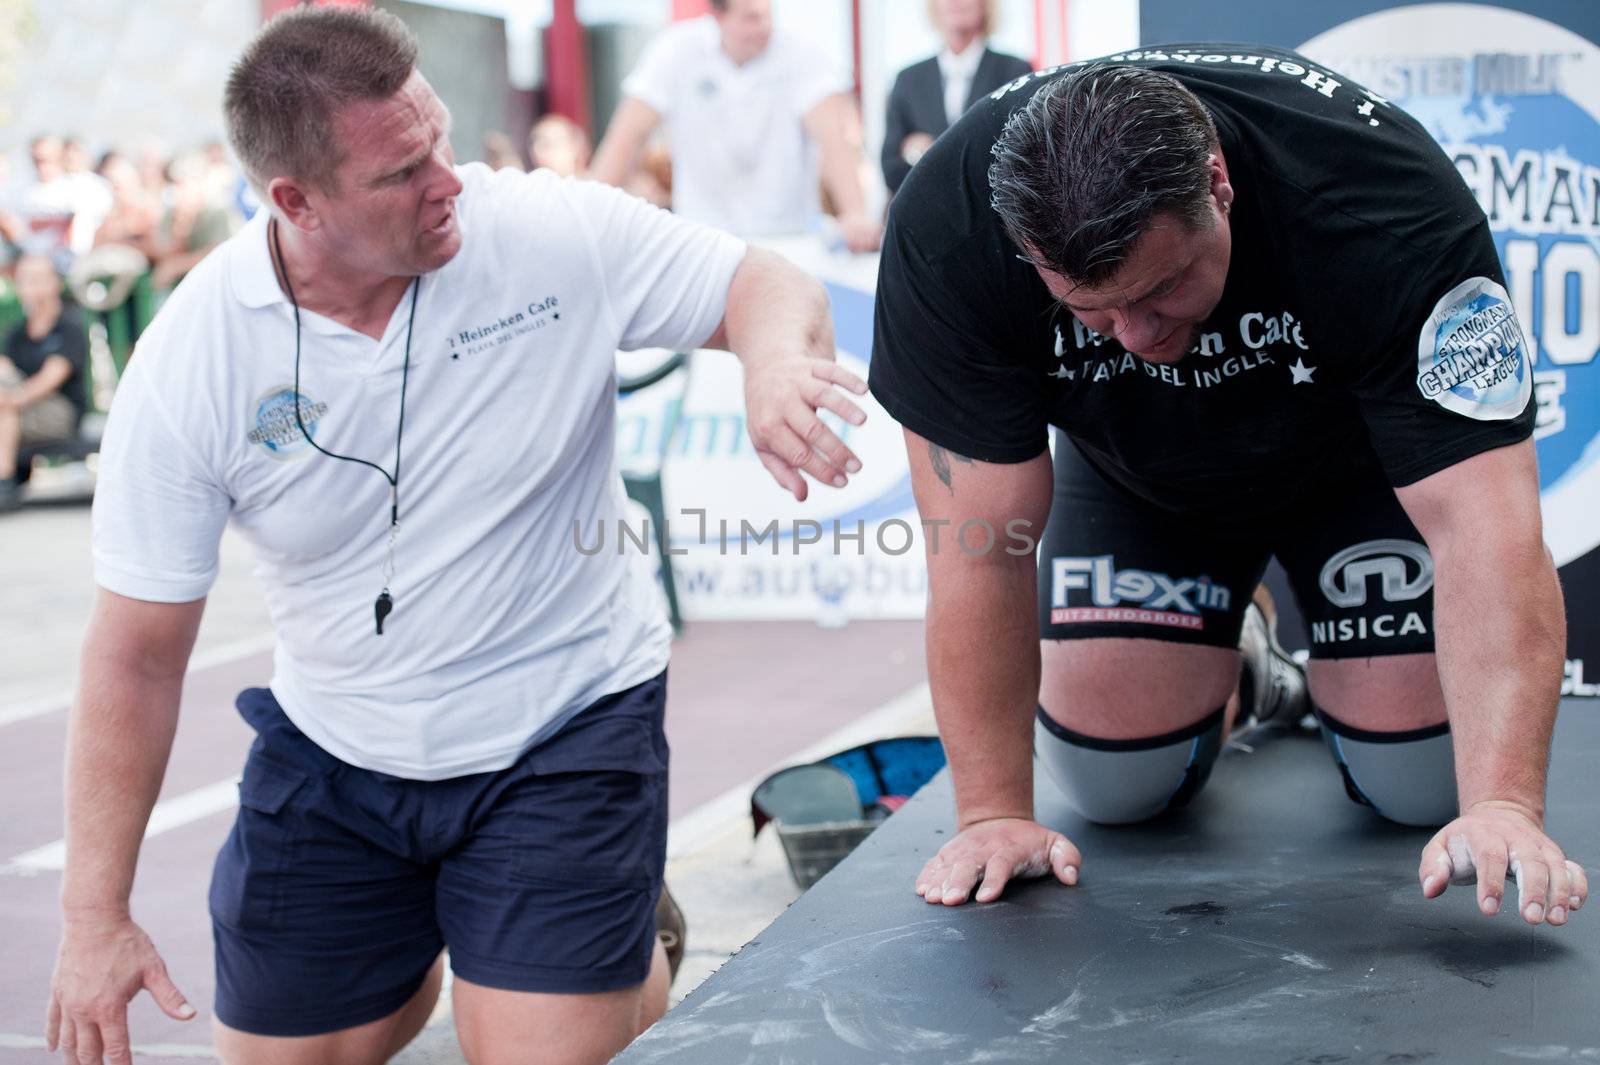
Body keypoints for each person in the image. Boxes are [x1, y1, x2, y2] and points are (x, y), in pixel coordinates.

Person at [44, 8, 868, 1065]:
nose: (448, 179)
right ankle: (458, 930)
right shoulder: (192, 359)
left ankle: (604, 946)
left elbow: (766, 282)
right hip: (340, 746)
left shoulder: (538, 226)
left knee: (535, 1054)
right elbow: (135, 655)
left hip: (563, 722)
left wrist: (771, 365)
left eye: (440, 136)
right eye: (402, 172)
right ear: (294, 203)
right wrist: (91, 917)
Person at [868, 46, 1588, 926]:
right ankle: (1251, 659)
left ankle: (1320, 665)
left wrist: (1506, 804)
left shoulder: (1381, 197)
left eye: (1162, 289)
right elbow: (981, 552)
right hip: (1140, 478)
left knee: (1419, 785)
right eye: (1090, 311)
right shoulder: (949, 232)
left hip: (1359, 473)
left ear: (1217, 183)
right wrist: (992, 814)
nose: (1132, 335)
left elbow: (1487, 527)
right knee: (1112, 782)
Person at [590, 0, 882, 252]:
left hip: (788, 237)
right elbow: (628, 136)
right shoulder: (674, 50)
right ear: (718, 16)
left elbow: (832, 140)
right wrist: (590, 215)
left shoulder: (803, 53)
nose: (764, 26)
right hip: (702, 237)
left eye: (768, 13)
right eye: (750, 17)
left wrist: (854, 213)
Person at [880, 0, 1030, 196]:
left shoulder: (1014, 71)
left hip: (992, 212)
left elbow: (1023, 155)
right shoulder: (908, 79)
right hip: (927, 212)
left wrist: (926, 152)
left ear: (985, 5)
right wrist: (911, 154)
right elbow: (891, 167)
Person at [0, 253, 86, 507]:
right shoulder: (16, 332)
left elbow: (51, 378)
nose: (33, 287)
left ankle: (3, 481)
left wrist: (11, 399)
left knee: (6, 407)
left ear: (55, 284)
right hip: (21, 410)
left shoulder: (68, 326)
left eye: (39, 279)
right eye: (27, 280)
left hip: (60, 411)